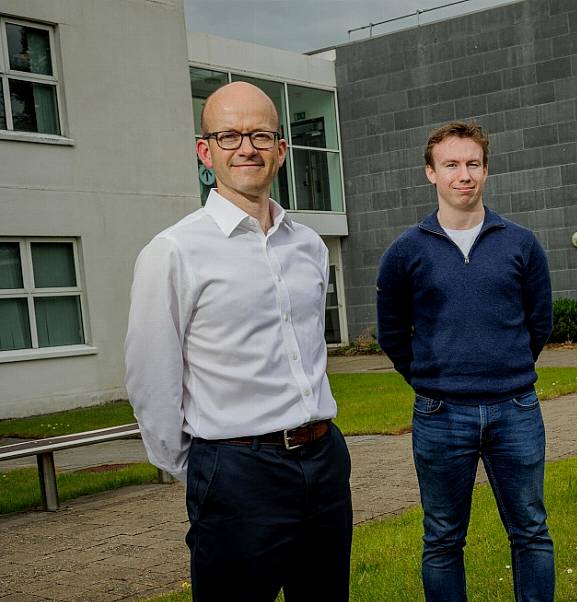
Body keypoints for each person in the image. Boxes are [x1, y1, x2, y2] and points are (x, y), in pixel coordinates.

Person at [124, 81, 351, 601]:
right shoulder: (174, 251)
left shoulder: (309, 245)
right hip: (237, 473)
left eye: (260, 135)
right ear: (206, 152)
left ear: (281, 151)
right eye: (229, 136)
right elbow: (151, 377)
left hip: (323, 461)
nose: (246, 147)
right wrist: (206, 468)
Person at [376, 121, 554, 602]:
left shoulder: (521, 244)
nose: (464, 175)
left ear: (486, 170)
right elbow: (392, 332)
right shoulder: (405, 252)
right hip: (440, 415)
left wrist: (506, 367)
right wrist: (430, 377)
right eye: (451, 165)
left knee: (531, 532)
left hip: (514, 409)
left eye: (473, 164)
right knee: (442, 540)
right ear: (430, 173)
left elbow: (540, 323)